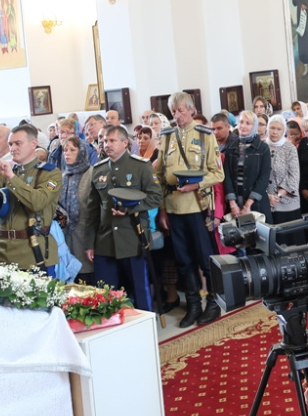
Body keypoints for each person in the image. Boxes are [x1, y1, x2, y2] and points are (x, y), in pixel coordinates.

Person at [156, 92, 224, 328]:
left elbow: (218, 173)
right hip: (174, 208)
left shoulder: (205, 135)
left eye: (181, 110)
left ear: (192, 110)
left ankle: (213, 304)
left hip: (198, 207)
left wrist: (197, 184)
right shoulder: (167, 137)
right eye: (173, 111)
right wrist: (162, 210)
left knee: (205, 260)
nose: (177, 115)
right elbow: (159, 176)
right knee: (183, 261)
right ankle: (194, 305)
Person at [81, 125, 163, 311]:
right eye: (104, 141)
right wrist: (89, 243)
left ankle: (145, 323)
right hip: (105, 240)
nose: (107, 145)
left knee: (140, 289)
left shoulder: (140, 166)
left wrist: (131, 209)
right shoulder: (99, 169)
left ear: (125, 143)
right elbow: (92, 210)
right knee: (104, 294)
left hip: (133, 237)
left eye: (112, 141)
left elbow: (156, 197)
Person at [0, 125, 61, 273]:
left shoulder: (50, 173)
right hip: (0, 253)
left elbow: (38, 203)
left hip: (32, 254)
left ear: (33, 143)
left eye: (18, 143)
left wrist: (11, 178)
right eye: (10, 144)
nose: (13, 148)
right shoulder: (4, 173)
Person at [223, 111, 273, 223]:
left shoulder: (263, 148)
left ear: (254, 126)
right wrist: (232, 203)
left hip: (256, 204)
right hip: (235, 204)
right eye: (241, 122)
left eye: (248, 123)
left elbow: (264, 178)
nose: (243, 126)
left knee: (259, 233)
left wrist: (248, 205)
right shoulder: (231, 147)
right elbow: (227, 176)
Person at [58, 136, 93, 283]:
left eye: (72, 150)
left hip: (85, 236)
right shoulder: (62, 176)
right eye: (65, 150)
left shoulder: (91, 174)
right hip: (66, 237)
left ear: (82, 152)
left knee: (86, 278)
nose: (67, 153)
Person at [263, 114, 301, 245]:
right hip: (267, 202)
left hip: (287, 202)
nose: (275, 132)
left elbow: (294, 176)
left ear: (284, 131)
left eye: (278, 129)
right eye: (272, 128)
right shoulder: (262, 147)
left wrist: (277, 196)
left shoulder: (289, 148)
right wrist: (267, 196)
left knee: (290, 243)